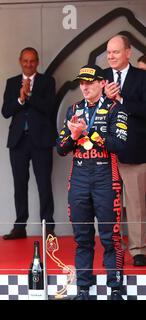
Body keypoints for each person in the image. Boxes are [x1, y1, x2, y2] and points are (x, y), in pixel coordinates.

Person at [57, 64, 128, 300]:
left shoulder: (116, 109)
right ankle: (83, 289)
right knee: (82, 237)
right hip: (78, 177)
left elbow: (120, 145)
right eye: (82, 83)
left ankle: (116, 288)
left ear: (102, 83)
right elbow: (60, 148)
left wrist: (90, 134)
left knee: (111, 237)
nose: (85, 86)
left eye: (90, 82)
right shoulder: (73, 110)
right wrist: (74, 136)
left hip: (106, 177)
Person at [1, 47, 56, 239]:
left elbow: (49, 108)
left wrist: (30, 96)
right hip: (18, 141)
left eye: (32, 61)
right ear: (20, 61)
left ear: (37, 62)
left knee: (44, 184)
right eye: (25, 61)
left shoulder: (48, 81)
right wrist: (20, 98)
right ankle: (19, 226)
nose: (28, 64)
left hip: (41, 140)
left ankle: (48, 227)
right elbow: (6, 111)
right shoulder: (11, 82)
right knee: (19, 184)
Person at [104, 35, 146, 267]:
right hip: (106, 151)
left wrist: (119, 98)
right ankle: (112, 248)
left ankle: (138, 249)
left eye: (116, 52)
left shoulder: (142, 77)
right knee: (108, 202)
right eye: (109, 52)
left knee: (136, 202)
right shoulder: (102, 76)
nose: (111, 56)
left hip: (135, 149)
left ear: (128, 53)